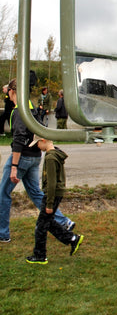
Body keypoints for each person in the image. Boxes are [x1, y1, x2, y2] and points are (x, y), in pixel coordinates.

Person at [0, 79, 74, 243]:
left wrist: (14, 166)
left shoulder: (19, 111)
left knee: (3, 193)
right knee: (36, 193)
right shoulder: (30, 108)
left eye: (7, 91)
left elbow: (19, 139)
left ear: (12, 92)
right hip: (34, 157)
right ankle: (64, 222)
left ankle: (3, 233)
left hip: (22, 157)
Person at [26, 135, 84, 264]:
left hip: (51, 194)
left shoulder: (50, 158)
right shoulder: (55, 153)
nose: (37, 147)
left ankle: (40, 256)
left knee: (41, 226)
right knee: (48, 222)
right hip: (55, 193)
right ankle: (72, 238)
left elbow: (51, 182)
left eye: (37, 144)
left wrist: (49, 203)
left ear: (43, 141)